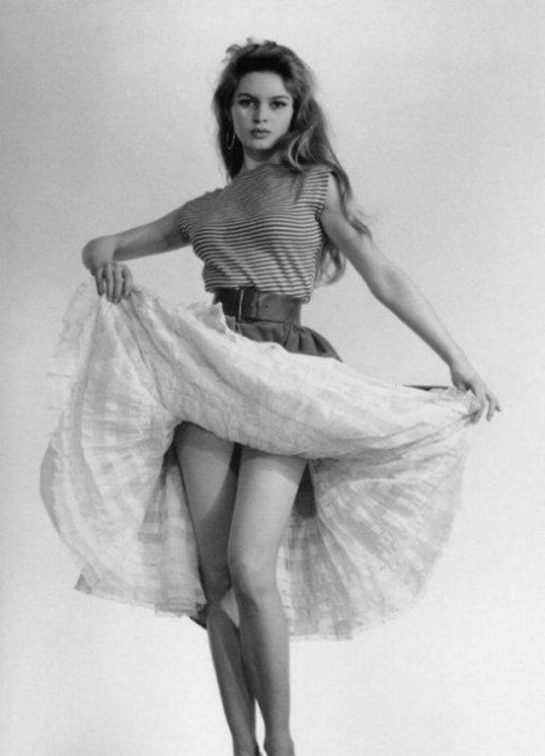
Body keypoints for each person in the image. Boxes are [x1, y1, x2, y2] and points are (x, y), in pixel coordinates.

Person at [42, 41, 500, 756]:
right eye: (247, 102)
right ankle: (241, 746)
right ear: (229, 112)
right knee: (215, 578)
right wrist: (110, 269)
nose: (260, 115)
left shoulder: (315, 186)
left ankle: (281, 744)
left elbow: (381, 274)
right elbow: (101, 245)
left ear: (295, 114)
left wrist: (457, 358)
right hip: (207, 373)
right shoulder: (203, 209)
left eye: (276, 104)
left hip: (284, 374)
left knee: (252, 569)